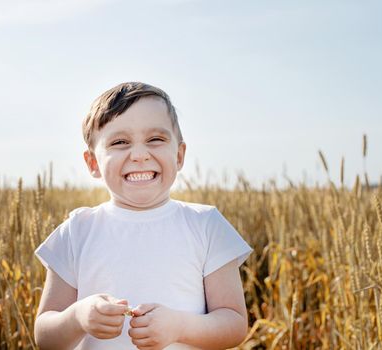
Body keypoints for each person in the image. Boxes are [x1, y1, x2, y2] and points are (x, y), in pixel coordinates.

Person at [34, 82, 253, 349]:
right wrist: (77, 317)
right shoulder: (77, 231)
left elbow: (234, 323)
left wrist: (179, 327)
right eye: (120, 142)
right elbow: (45, 337)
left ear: (180, 155)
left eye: (155, 139)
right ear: (93, 163)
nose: (139, 155)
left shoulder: (207, 225)